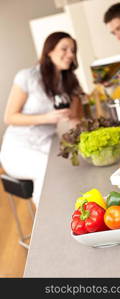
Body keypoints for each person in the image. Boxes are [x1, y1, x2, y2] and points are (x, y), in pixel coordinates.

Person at [0, 31, 83, 207]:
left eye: (73, 50)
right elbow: (10, 117)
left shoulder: (71, 82)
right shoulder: (27, 76)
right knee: (46, 170)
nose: (70, 54)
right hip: (18, 148)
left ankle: (73, 210)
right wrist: (46, 117)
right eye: (65, 49)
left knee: (72, 166)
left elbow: (75, 119)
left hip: (47, 144)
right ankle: (49, 222)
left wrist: (84, 139)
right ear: (49, 51)